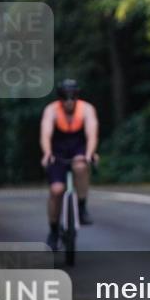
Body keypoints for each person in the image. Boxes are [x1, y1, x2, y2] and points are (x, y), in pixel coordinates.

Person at [40, 79, 99, 248]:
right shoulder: (51, 111)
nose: (69, 102)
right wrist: (47, 153)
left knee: (81, 167)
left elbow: (92, 134)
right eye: (65, 98)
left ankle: (81, 207)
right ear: (60, 98)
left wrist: (89, 154)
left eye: (73, 98)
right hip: (57, 150)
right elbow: (45, 134)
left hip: (78, 147)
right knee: (56, 190)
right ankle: (53, 230)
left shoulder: (87, 109)